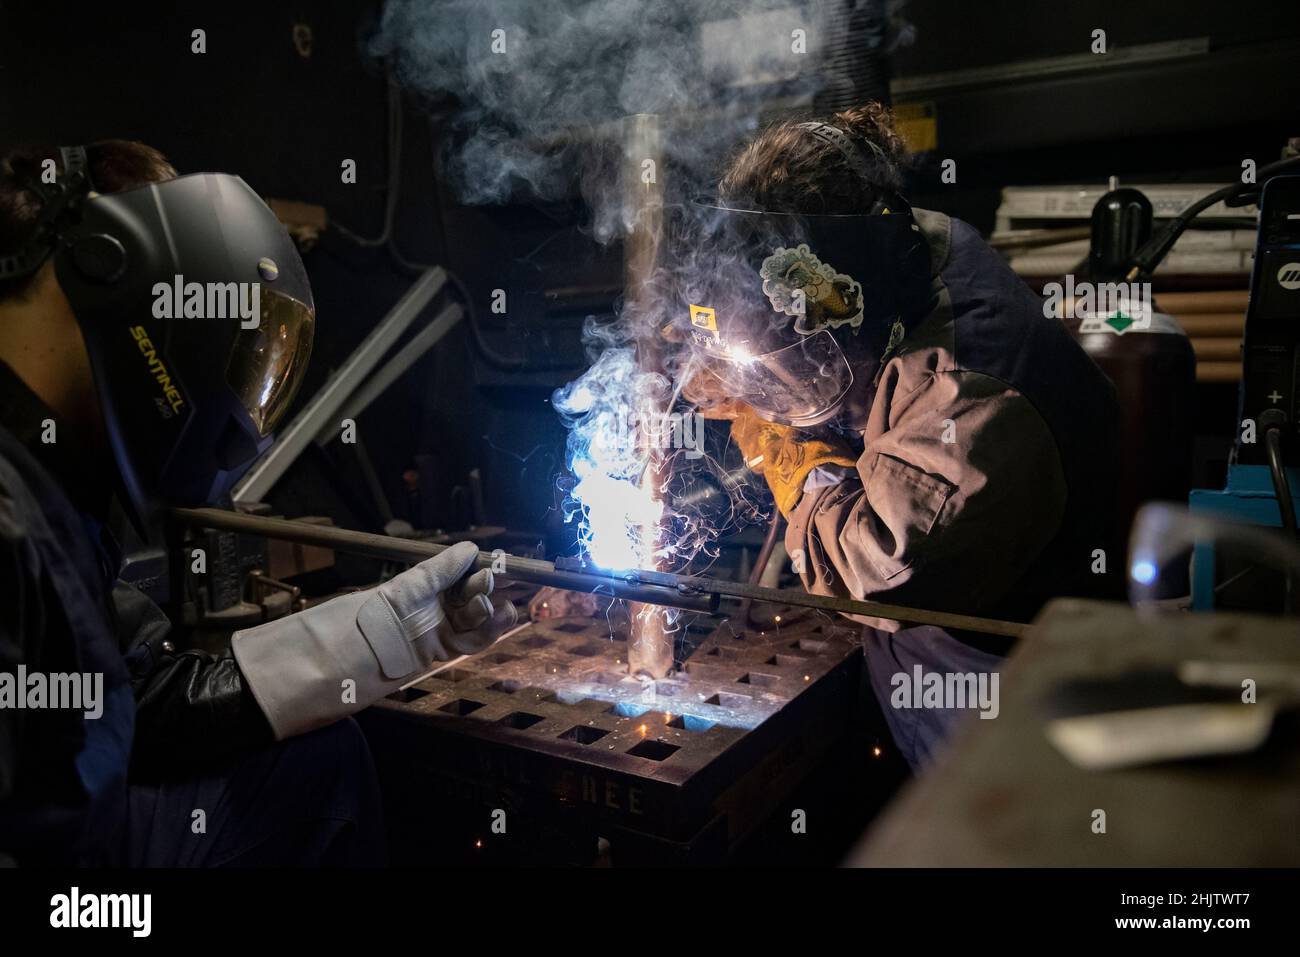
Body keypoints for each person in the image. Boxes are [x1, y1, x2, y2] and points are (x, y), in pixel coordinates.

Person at [0, 140, 512, 866]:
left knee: (316, 767)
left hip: (78, 826)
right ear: (107, 265)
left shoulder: (54, 484)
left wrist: (382, 635)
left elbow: (130, 699)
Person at [680, 105, 1121, 768]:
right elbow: (784, 328)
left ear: (855, 298)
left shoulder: (968, 392)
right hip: (924, 655)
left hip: (1005, 678)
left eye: (808, 350)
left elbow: (877, 570)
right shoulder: (894, 246)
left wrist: (780, 443)